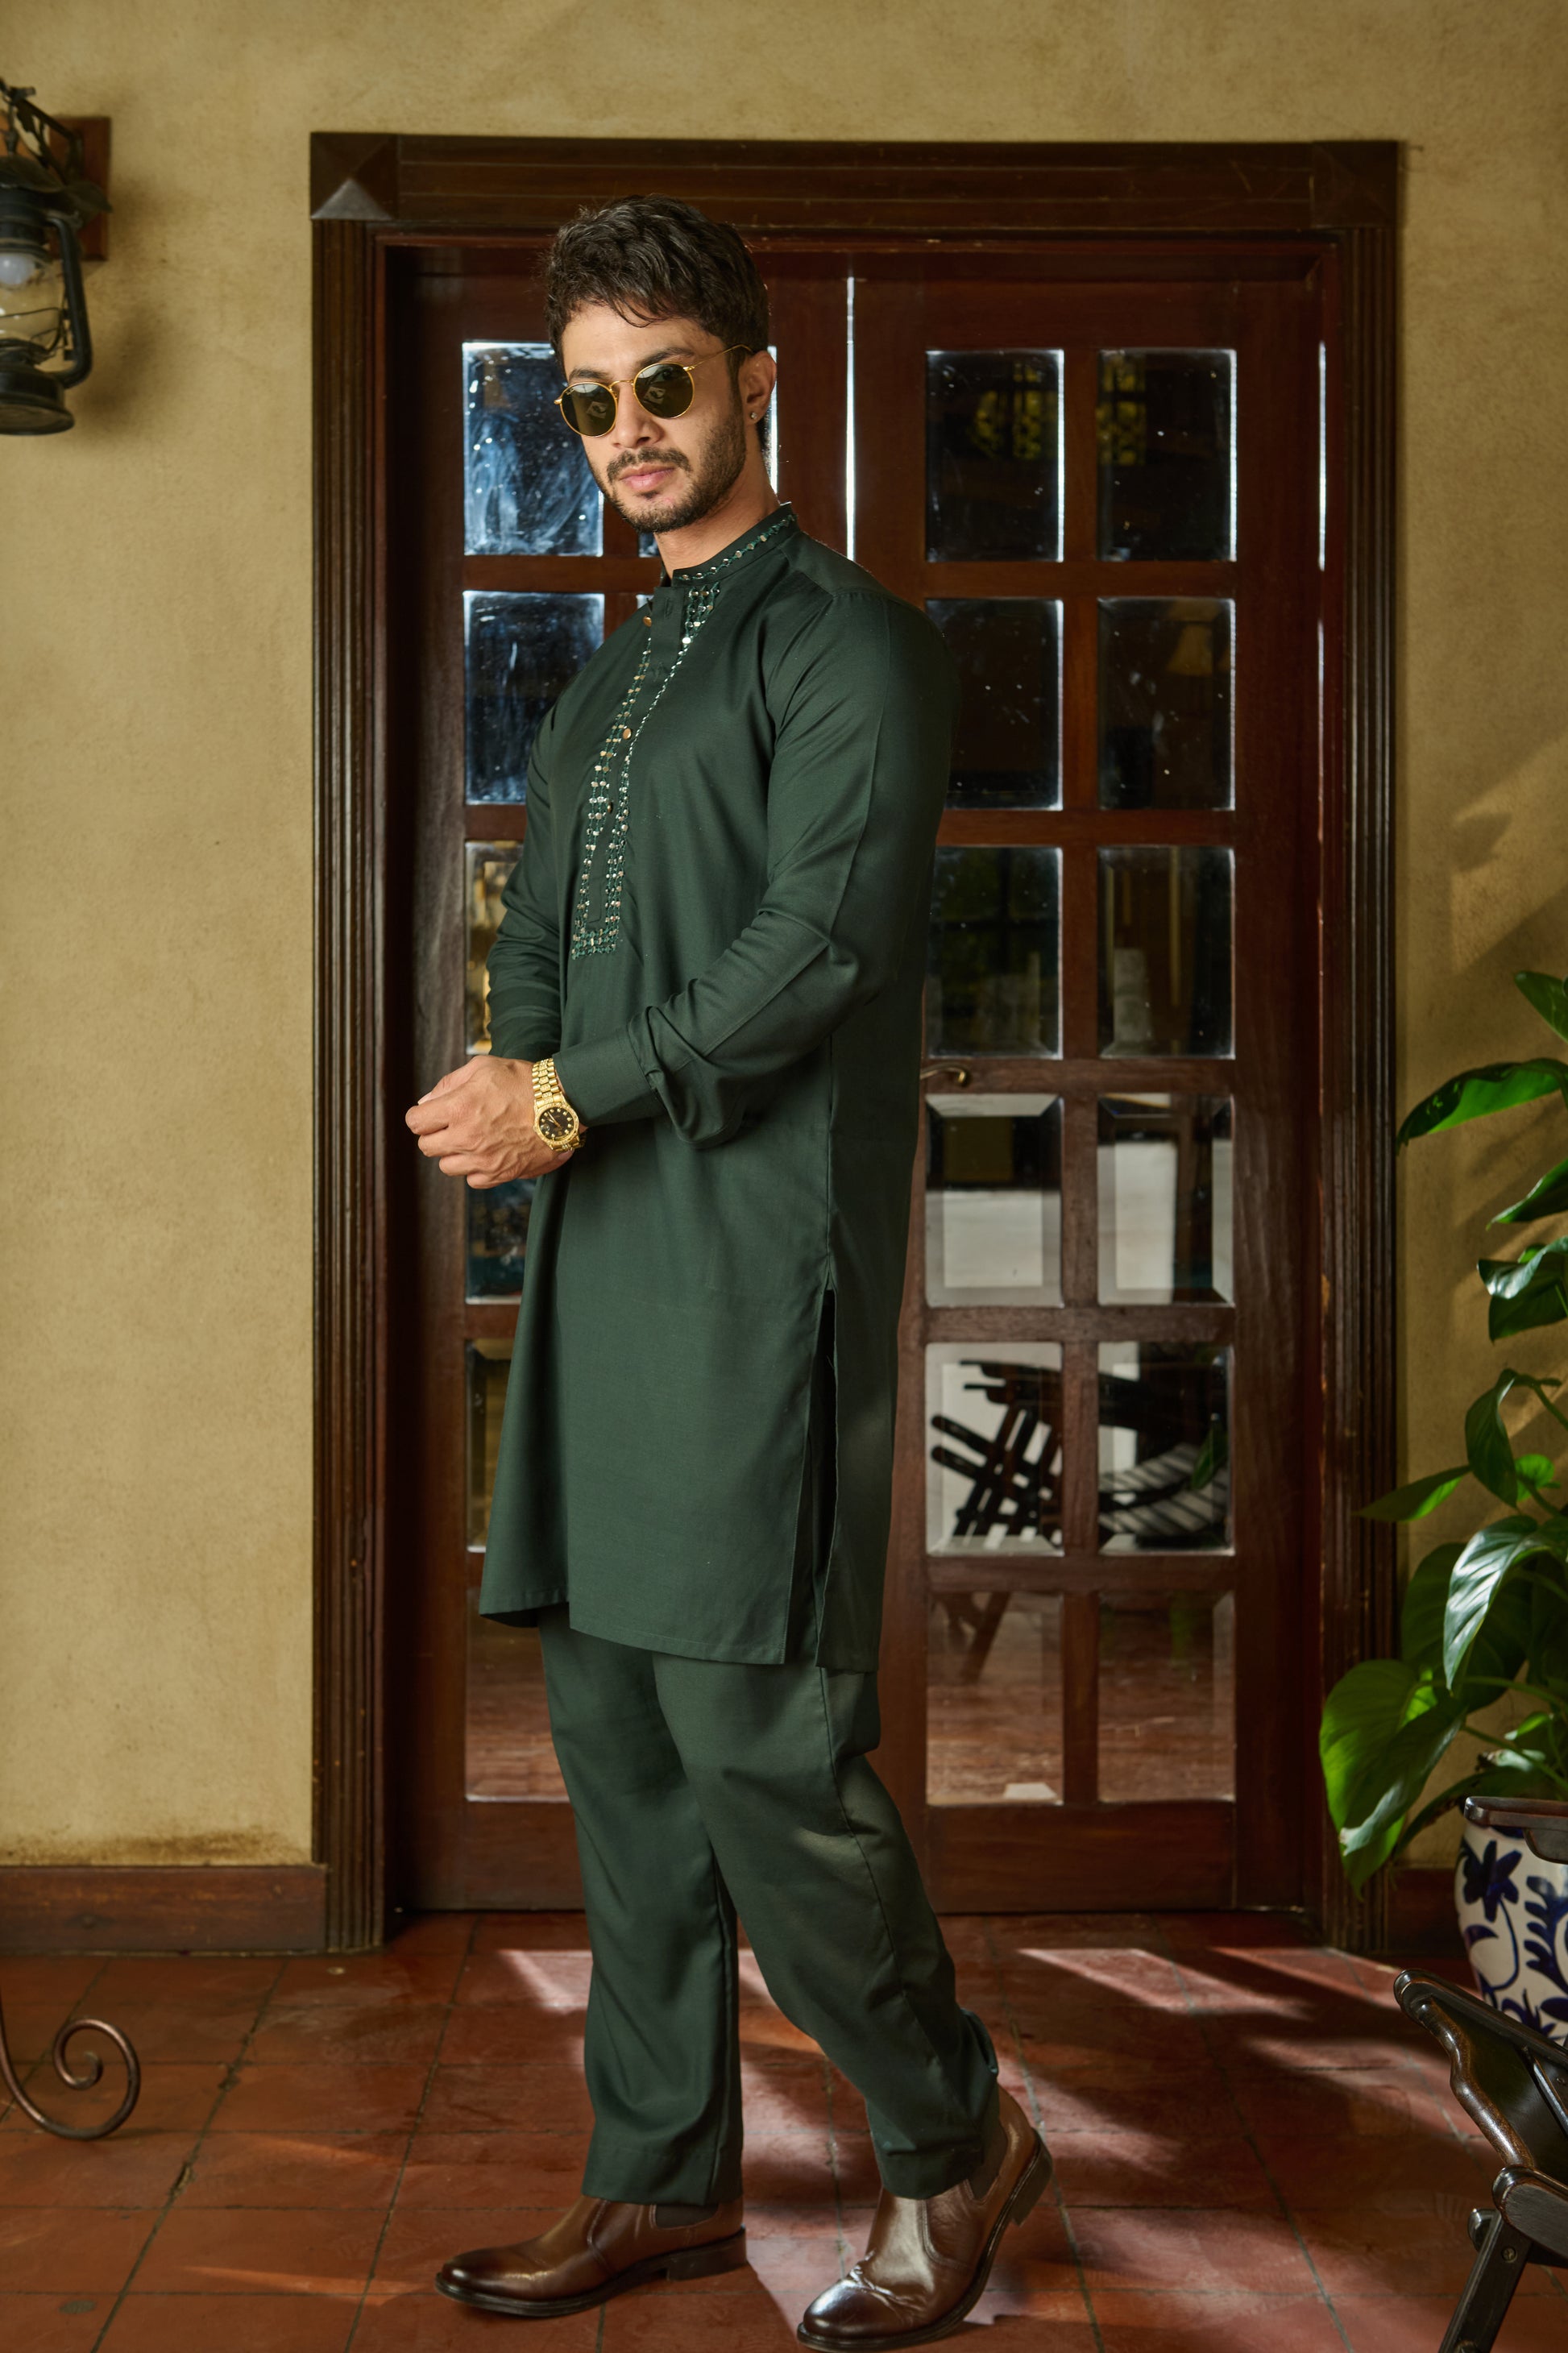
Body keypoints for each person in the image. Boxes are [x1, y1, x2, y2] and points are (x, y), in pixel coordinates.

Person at [405, 193, 1050, 2347]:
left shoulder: (850, 644)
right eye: (590, 403)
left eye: (662, 384)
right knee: (614, 1737)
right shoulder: (616, 673)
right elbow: (568, 936)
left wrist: (565, 1094)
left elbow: (818, 949)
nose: (628, 433)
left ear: (757, 378)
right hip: (603, 1263)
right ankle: (658, 2175)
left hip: (758, 1265)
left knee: (763, 1746)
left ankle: (949, 2145)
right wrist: (520, 1075)